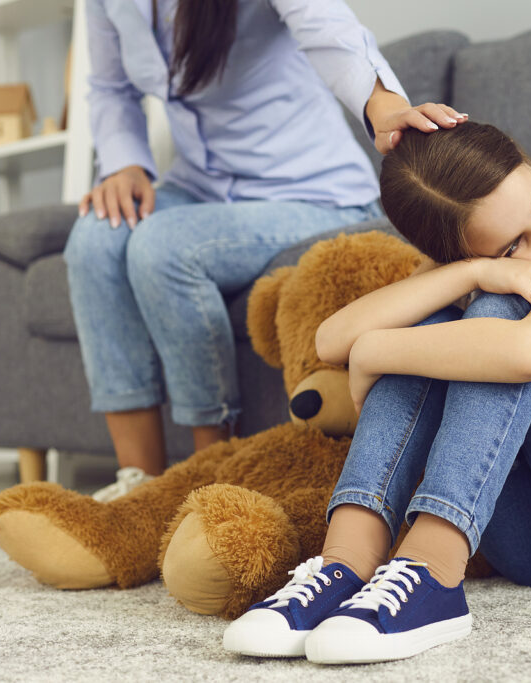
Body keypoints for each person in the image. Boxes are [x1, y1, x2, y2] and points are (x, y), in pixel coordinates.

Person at [222, 122, 531, 664]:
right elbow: (331, 339)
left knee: (505, 312)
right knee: (441, 311)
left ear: (530, 163)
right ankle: (345, 564)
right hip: (524, 542)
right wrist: (473, 272)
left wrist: (377, 352)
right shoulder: (475, 264)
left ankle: (434, 572)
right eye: (510, 245)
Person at [64, 0, 467, 502]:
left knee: (162, 248)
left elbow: (327, 26)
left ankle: (208, 474)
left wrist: (386, 107)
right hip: (203, 187)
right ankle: (140, 484)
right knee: (95, 239)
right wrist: (125, 164)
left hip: (313, 193)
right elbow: (110, 86)